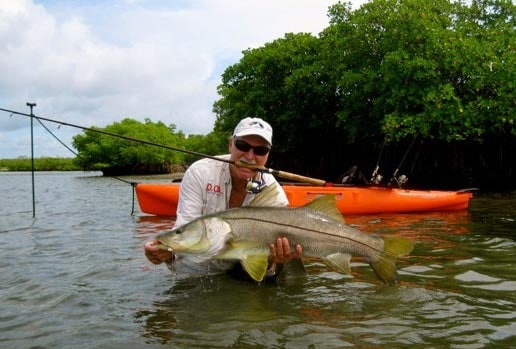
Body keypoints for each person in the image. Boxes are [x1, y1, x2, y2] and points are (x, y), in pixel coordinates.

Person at [144, 117, 303, 279]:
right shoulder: (199, 172)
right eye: (242, 146)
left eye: (260, 150)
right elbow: (185, 230)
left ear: (267, 155)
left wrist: (272, 261)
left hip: (241, 273)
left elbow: (267, 265)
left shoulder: (273, 191)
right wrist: (167, 252)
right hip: (196, 271)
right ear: (230, 144)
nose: (249, 156)